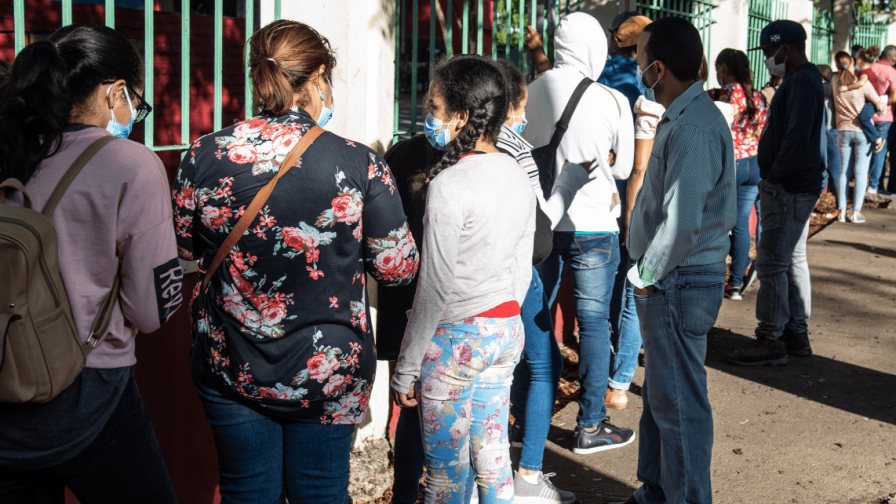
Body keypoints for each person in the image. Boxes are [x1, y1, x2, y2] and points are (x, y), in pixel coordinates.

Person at [172, 20, 419, 502]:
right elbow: (397, 268)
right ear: (320, 74)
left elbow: (186, 251)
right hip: (328, 368)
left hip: (231, 360)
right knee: (321, 492)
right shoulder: (360, 164)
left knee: (247, 491)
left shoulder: (203, 154)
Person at [0, 25, 180, 503]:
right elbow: (150, 312)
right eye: (136, 102)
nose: (134, 114)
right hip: (90, 390)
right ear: (115, 92)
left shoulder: (13, 148)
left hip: (6, 386)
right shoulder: (131, 164)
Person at [391, 55, 535, 503]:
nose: (429, 118)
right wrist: (502, 320)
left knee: (446, 479)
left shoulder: (449, 184)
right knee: (494, 461)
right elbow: (522, 267)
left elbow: (434, 287)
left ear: (461, 116)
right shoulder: (517, 173)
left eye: (434, 108)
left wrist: (407, 367)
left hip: (454, 341)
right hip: (505, 330)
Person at [617, 16, 736, 504]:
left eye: (641, 59)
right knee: (664, 399)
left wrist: (645, 275)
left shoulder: (692, 127)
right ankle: (658, 490)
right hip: (674, 278)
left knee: (680, 405)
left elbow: (682, 222)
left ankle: (683, 496)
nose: (638, 67)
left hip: (677, 279)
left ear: (659, 68)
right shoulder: (683, 117)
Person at [523, 11, 637, 455]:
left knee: (535, 318)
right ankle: (590, 425)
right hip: (594, 224)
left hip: (542, 224)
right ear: (595, 49)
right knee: (593, 324)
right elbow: (624, 169)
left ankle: (525, 415)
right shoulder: (612, 99)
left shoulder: (530, 91)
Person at [494, 59, 581, 504]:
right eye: (522, 107)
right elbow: (539, 226)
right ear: (509, 104)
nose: (523, 117)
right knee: (544, 364)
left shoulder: (456, 145)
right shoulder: (515, 149)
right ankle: (527, 473)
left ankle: (492, 469)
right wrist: (567, 185)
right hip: (515, 269)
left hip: (469, 279)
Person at [728, 20, 827, 367]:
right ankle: (795, 332)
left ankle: (771, 337)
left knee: (771, 262)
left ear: (785, 49)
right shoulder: (805, 80)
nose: (767, 59)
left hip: (789, 186)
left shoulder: (801, 82)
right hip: (798, 183)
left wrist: (775, 177)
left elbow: (796, 137)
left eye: (769, 52)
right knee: (791, 259)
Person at [597, 13, 652, 411]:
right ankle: (619, 380)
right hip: (641, 194)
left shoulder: (599, 78)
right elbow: (640, 166)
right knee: (635, 289)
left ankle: (609, 364)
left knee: (615, 281)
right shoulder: (649, 82)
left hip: (603, 195)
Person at [712, 48, 768, 301]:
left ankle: (719, 279)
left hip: (732, 163)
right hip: (754, 164)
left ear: (723, 68)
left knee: (724, 223)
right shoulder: (758, 96)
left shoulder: (725, 93)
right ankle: (735, 283)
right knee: (742, 223)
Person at [832, 51, 886, 224]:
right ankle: (856, 212)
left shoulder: (835, 82)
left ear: (836, 64)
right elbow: (879, 104)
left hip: (843, 131)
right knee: (861, 172)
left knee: (844, 171)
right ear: (852, 62)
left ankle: (841, 211)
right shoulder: (863, 83)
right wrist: (878, 108)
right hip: (863, 133)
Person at [861, 45, 896, 194]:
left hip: (866, 114)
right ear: (893, 58)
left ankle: (863, 183)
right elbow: (894, 97)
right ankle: (873, 185)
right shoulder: (891, 72)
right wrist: (880, 102)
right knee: (880, 151)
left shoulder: (870, 67)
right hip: (883, 116)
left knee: (865, 149)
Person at [835, 51, 884, 152]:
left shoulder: (864, 73)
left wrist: (847, 87)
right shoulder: (862, 72)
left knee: (863, 118)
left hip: (871, 103)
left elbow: (861, 84)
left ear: (859, 60)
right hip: (870, 105)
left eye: (856, 58)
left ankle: (877, 138)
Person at [819, 64, 842, 197]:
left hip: (824, 132)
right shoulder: (834, 89)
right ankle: (839, 198)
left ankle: (823, 196)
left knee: (823, 167)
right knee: (836, 167)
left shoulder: (822, 88)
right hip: (834, 130)